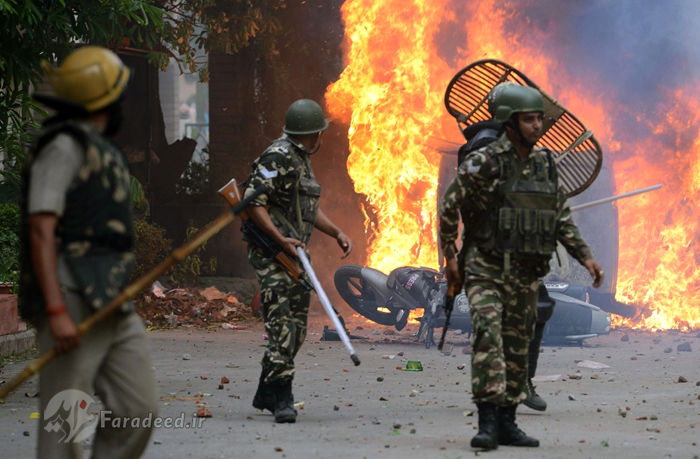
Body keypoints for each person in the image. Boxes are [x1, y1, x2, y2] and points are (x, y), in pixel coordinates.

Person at [438, 82, 603, 450]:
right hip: (486, 268)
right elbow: (450, 206)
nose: (537, 126)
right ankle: (487, 422)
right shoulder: (484, 160)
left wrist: (585, 256)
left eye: (539, 119)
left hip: (525, 274)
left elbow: (559, 215)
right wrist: (451, 258)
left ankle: (509, 422)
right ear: (508, 123)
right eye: (528, 120)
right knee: (489, 340)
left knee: (516, 347)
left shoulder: (544, 164)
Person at [19, 46, 158, 458]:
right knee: (64, 427)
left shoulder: (102, 147)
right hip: (72, 298)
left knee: (138, 410)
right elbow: (41, 230)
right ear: (107, 101)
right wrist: (56, 310)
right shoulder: (62, 147)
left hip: (110, 299)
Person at [242, 99, 353, 423]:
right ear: (314, 133)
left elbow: (307, 209)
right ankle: (282, 398)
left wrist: (337, 232)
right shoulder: (277, 155)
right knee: (283, 325)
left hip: (294, 255)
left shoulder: (300, 159)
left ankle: (266, 391)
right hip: (272, 253)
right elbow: (253, 202)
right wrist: (279, 239)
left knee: (299, 327)